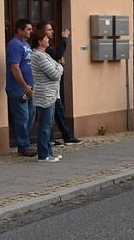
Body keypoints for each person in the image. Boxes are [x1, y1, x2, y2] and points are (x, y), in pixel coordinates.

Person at [40, 21, 81, 146]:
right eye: (49, 30)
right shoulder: (42, 51)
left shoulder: (47, 48)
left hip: (53, 87)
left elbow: (56, 58)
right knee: (55, 112)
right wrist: (64, 39)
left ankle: (53, 138)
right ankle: (64, 136)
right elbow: (57, 56)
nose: (52, 32)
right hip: (49, 88)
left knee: (54, 113)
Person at [29, 25, 64, 162]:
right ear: (39, 41)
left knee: (49, 125)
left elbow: (56, 65)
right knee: (45, 125)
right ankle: (43, 155)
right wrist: (60, 66)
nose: (48, 40)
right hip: (45, 95)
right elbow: (55, 73)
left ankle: (49, 152)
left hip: (51, 94)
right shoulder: (38, 56)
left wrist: (58, 65)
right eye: (45, 38)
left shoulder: (46, 54)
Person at [5, 19, 37, 157]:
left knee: (31, 115)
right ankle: (23, 146)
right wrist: (24, 86)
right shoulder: (15, 45)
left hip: (30, 88)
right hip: (18, 89)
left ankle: (24, 142)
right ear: (19, 30)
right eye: (28, 29)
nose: (31, 31)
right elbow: (15, 67)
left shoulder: (26, 44)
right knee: (22, 117)